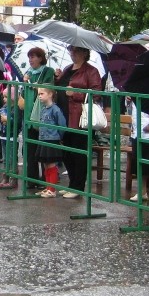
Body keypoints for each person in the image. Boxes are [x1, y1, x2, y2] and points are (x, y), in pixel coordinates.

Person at [56, 46, 102, 197]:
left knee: (78, 152)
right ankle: (71, 184)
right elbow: (60, 88)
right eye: (71, 50)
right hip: (64, 116)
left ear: (84, 53)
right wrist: (57, 78)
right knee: (66, 152)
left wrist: (75, 93)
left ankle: (78, 187)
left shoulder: (91, 71)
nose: (72, 53)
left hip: (79, 118)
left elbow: (96, 94)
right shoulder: (67, 68)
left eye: (76, 51)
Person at [20, 46, 56, 189]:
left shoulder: (48, 71)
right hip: (29, 113)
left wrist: (38, 87)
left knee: (43, 147)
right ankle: (31, 179)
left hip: (43, 113)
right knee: (29, 148)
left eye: (33, 57)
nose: (30, 60)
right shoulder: (28, 72)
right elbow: (23, 92)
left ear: (41, 58)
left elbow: (49, 89)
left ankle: (46, 181)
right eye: (29, 57)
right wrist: (25, 82)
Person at [34, 87, 66, 197]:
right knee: (46, 164)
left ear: (50, 94)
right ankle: (48, 187)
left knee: (51, 164)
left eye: (42, 93)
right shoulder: (43, 109)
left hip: (52, 139)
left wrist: (59, 137)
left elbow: (62, 125)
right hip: (43, 139)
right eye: (39, 94)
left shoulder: (55, 109)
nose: (39, 96)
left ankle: (52, 189)